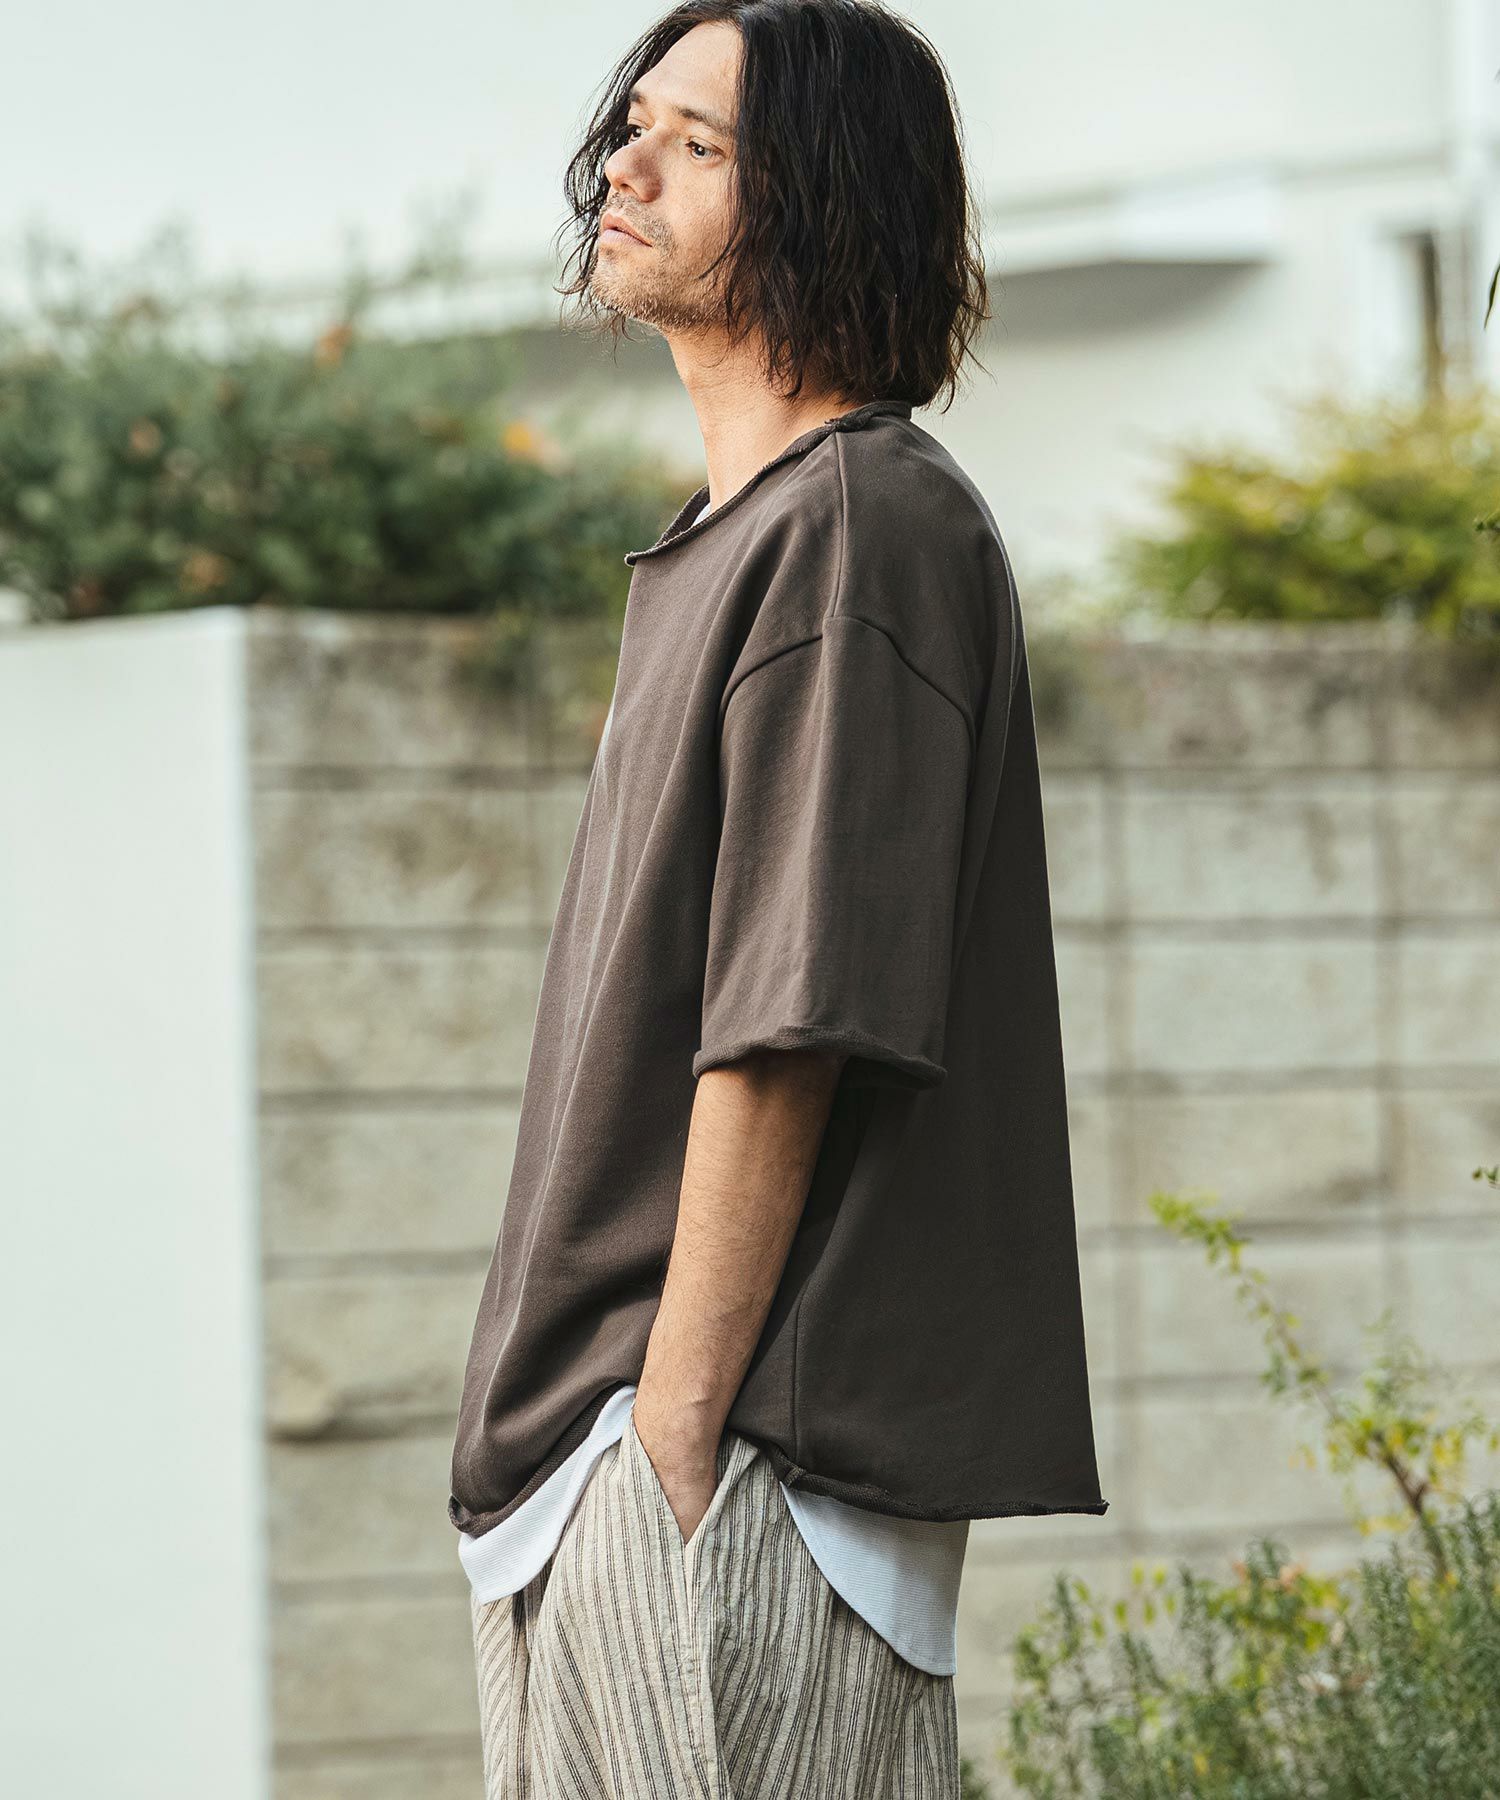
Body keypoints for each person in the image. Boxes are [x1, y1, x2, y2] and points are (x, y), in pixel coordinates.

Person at [448, 3, 1109, 1794]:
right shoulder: (729, 535)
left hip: (733, 1475)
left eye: (701, 144)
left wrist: (671, 1440)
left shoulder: (861, 526)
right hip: (604, 1478)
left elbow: (791, 1026)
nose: (627, 166)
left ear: (826, 198)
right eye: (633, 125)